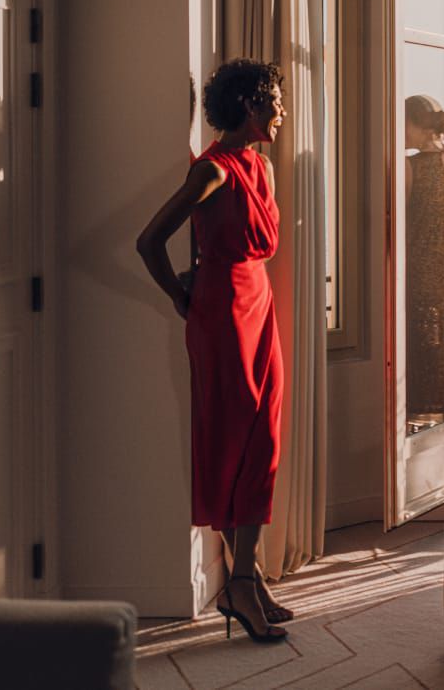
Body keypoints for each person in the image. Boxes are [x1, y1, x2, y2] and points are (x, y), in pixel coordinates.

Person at [137, 59, 290, 643]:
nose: (280, 110)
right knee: (234, 445)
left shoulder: (262, 165)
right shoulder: (213, 170)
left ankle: (244, 579)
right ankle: (242, 581)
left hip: (258, 305)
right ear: (248, 105)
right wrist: (181, 296)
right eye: (273, 100)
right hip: (222, 314)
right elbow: (148, 241)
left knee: (264, 439)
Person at [404, 94, 444, 429]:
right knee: (443, 346)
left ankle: (416, 418)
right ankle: (442, 414)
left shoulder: (410, 166)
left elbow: (397, 220)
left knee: (418, 345)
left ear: (412, 125)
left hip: (418, 268)